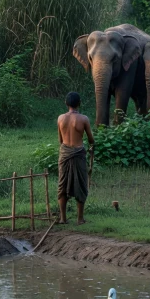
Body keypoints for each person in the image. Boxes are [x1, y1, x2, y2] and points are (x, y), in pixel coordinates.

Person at [56, 92, 94, 225]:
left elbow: (60, 140)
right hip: (78, 153)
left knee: (63, 184)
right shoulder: (84, 119)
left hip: (65, 153)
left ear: (66, 104)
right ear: (79, 103)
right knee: (81, 184)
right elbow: (91, 139)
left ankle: (63, 218)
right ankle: (80, 218)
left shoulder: (60, 118)